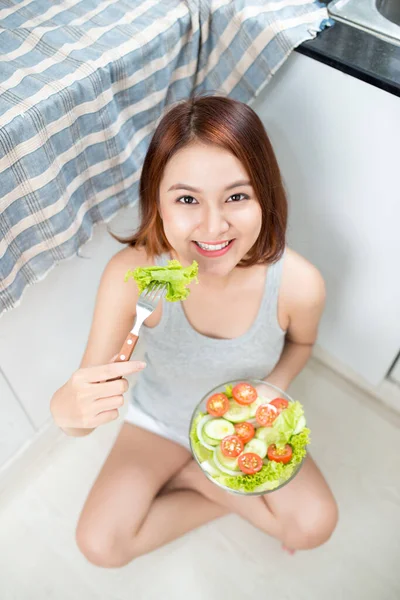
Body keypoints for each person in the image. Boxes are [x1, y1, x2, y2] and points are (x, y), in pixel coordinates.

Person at [50, 94, 338, 568]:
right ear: (157, 202)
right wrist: (69, 410)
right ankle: (206, 475)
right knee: (100, 545)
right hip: (160, 422)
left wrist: (273, 391)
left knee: (313, 526)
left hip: (250, 424)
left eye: (237, 196)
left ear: (265, 195)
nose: (213, 226)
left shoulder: (299, 285)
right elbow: (82, 406)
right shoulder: (134, 276)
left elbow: (302, 343)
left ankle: (196, 478)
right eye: (187, 199)